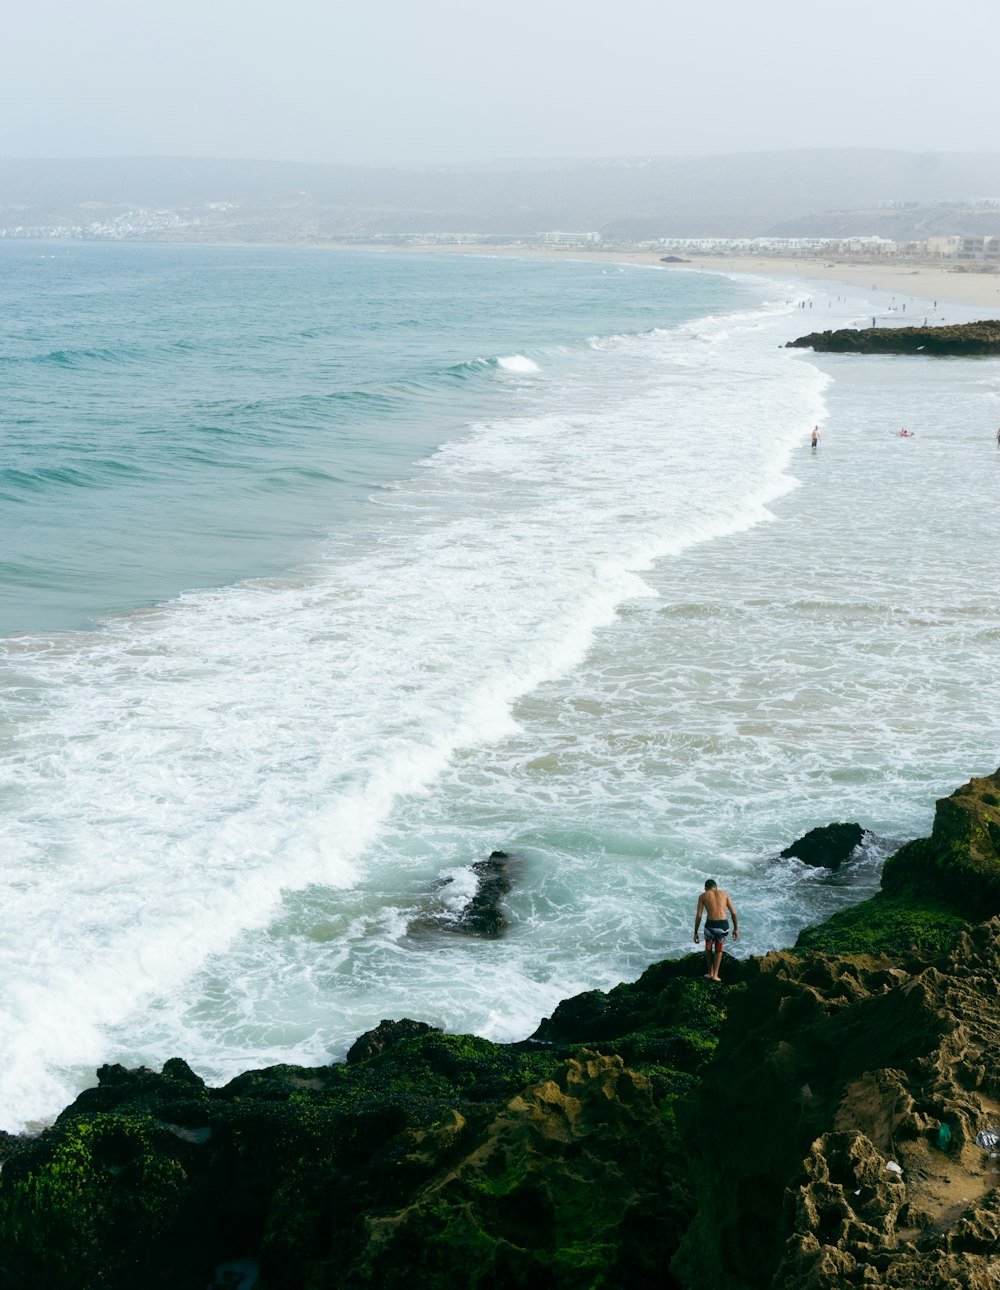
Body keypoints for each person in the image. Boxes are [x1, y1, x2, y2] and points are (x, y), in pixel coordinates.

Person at [694, 880, 738, 981]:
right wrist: (736, 929)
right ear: (716, 887)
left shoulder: (703, 896)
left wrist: (695, 932)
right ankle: (716, 975)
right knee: (718, 950)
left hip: (710, 926)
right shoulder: (724, 894)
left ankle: (710, 972)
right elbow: (734, 913)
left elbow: (699, 915)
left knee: (708, 949)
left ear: (705, 888)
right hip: (723, 926)